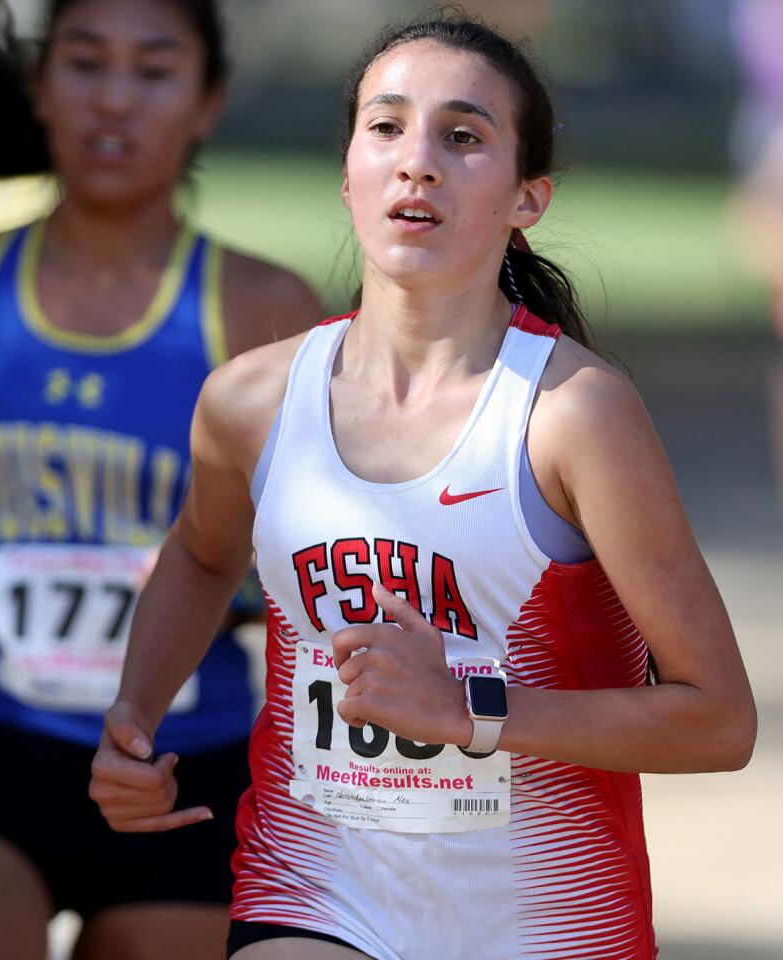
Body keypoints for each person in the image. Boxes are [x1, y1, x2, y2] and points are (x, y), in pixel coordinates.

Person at [91, 12, 757, 960]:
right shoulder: (249, 400)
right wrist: (135, 714)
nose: (417, 162)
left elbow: (719, 719)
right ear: (349, 172)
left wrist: (468, 712)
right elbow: (202, 556)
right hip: (314, 888)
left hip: (548, 924)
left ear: (531, 198)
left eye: (463, 135)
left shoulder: (574, 414)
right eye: (387, 126)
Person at [0, 1, 321, 958]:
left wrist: (211, 590)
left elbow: (328, 563)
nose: (115, 99)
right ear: (40, 87)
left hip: (185, 770)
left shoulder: (263, 307)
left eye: (153, 72)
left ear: (206, 104)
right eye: (85, 64)